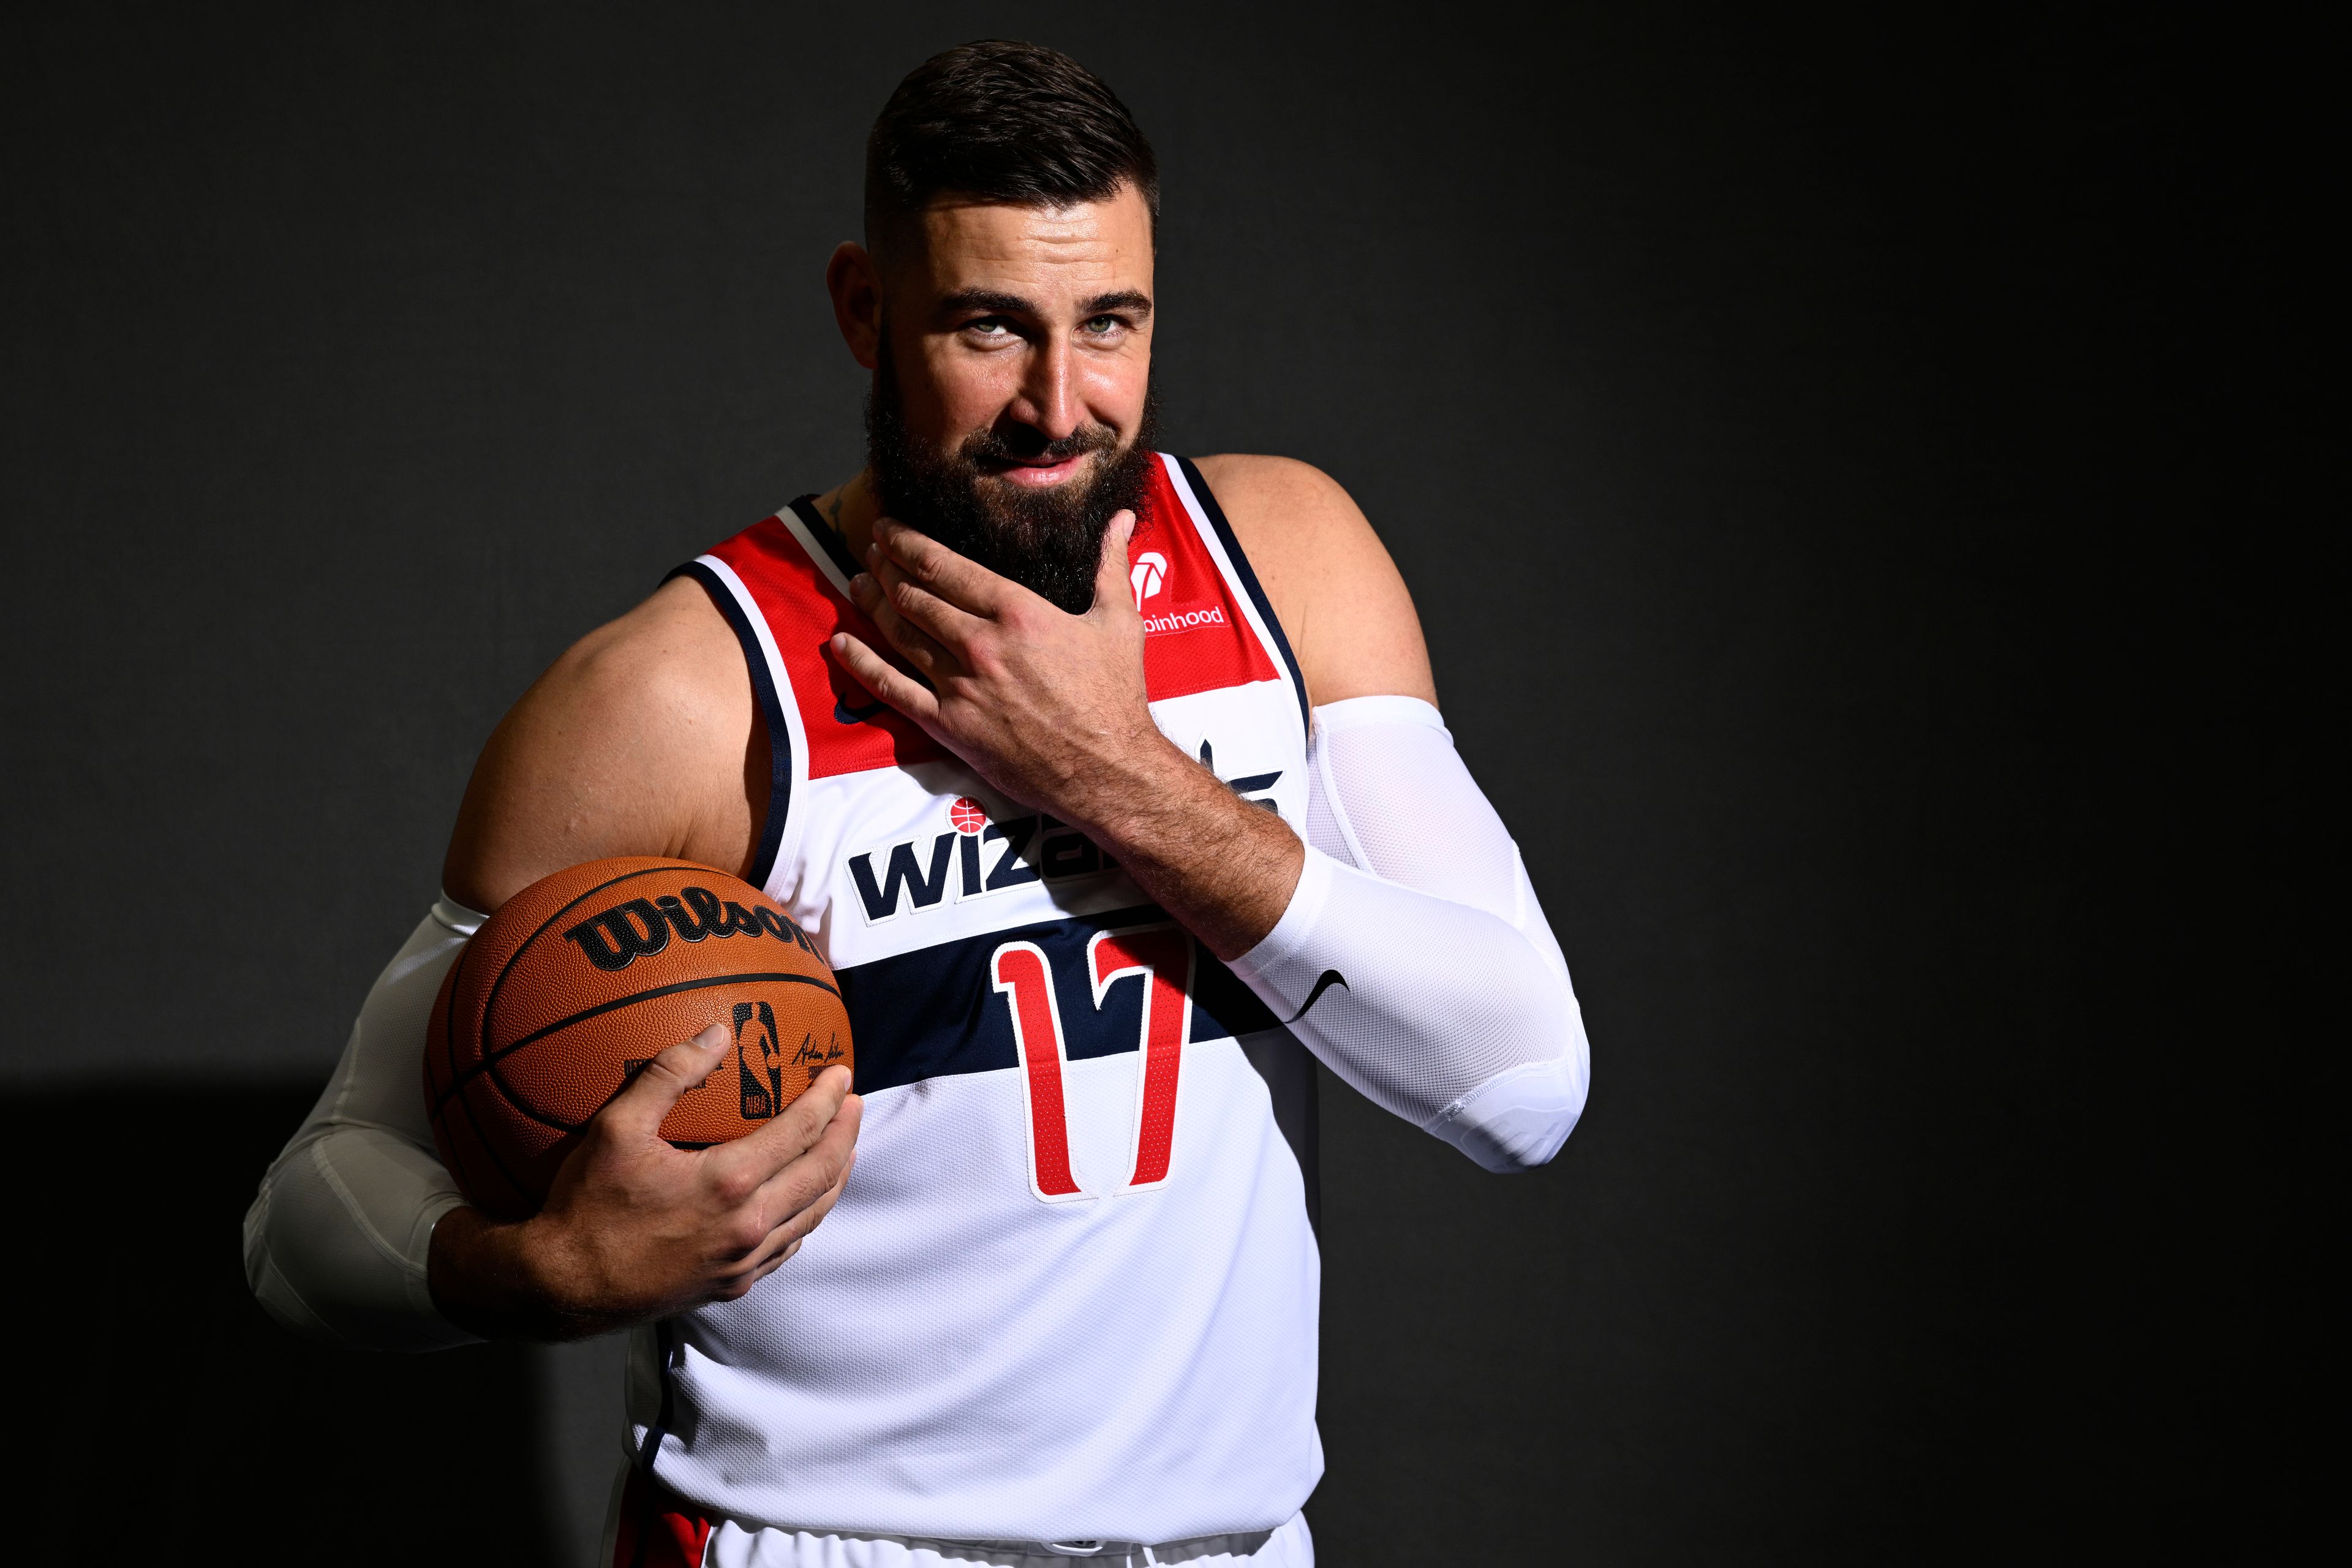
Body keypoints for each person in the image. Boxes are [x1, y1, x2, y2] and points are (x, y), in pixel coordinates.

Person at [244, 39, 1589, 1568]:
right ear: (864, 312)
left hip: (1228, 1542)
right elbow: (307, 1210)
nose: (1060, 405)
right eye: (989, 328)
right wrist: (533, 1268)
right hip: (820, 1536)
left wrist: (1117, 775)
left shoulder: (1281, 562)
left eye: (1112, 325)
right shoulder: (689, 693)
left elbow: (1524, 1080)